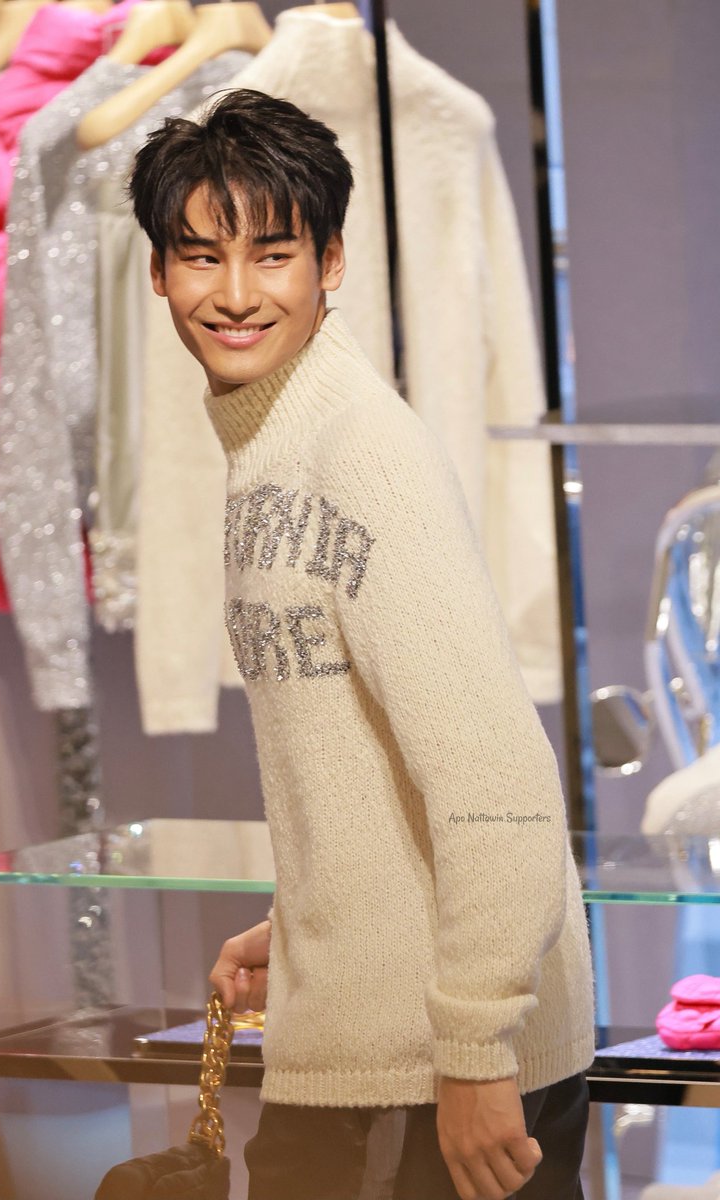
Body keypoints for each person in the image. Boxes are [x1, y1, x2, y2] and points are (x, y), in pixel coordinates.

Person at [128, 88, 596, 1200]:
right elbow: (365, 761)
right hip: (380, 1043)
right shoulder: (273, 443)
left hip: (439, 1070)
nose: (235, 294)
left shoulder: (359, 453)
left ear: (329, 263)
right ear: (157, 274)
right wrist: (309, 926)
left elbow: (496, 779)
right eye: (201, 258)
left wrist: (476, 1044)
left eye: (272, 255)